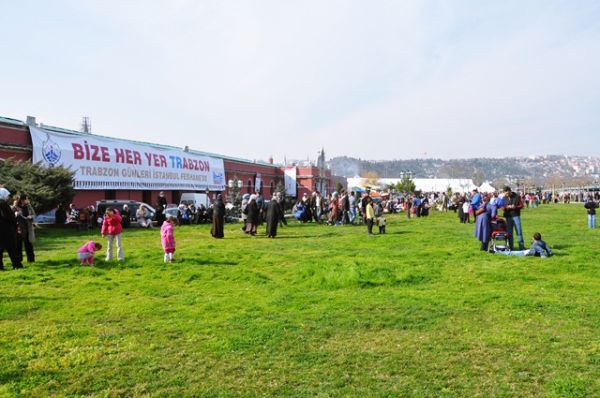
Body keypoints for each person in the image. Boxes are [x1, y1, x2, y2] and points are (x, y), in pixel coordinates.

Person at [0, 187, 23, 270]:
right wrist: (15, 216)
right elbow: (10, 217)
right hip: (6, 230)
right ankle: (16, 265)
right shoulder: (3, 204)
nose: (7, 197)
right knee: (12, 248)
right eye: (6, 195)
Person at [13, 194, 36, 263]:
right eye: (26, 199)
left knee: (29, 244)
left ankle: (31, 260)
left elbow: (34, 214)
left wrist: (31, 216)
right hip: (19, 228)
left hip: (27, 227)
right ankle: (19, 260)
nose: (28, 200)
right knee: (18, 245)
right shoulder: (15, 207)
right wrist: (16, 214)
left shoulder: (28, 206)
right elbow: (10, 216)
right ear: (22, 200)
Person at [503, 186, 525, 250]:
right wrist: (506, 207)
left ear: (510, 191)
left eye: (507, 193)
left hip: (516, 216)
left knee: (519, 232)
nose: (506, 194)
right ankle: (511, 247)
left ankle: (521, 247)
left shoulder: (517, 196)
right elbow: (502, 207)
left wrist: (514, 207)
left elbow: (521, 205)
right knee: (509, 233)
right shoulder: (504, 198)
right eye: (505, 193)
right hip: (508, 217)